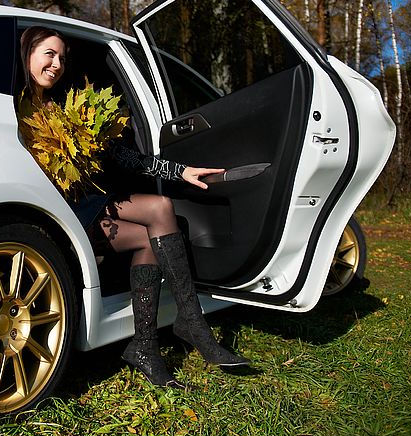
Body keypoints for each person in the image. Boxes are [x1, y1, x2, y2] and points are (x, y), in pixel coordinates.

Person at [16, 26, 250, 389]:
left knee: (154, 221)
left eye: (62, 57)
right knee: (157, 211)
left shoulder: (65, 108)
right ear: (28, 53)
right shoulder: (13, 108)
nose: (57, 64)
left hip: (87, 205)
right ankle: (188, 325)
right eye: (49, 54)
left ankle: (149, 344)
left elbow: (121, 157)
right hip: (57, 214)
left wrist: (181, 171)